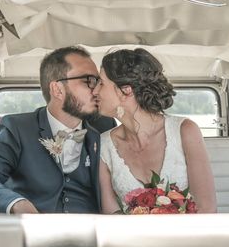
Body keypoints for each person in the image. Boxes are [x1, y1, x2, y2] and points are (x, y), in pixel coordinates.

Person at [0, 46, 116, 213]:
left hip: (93, 234)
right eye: (89, 80)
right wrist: (17, 203)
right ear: (57, 90)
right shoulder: (18, 128)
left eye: (98, 82)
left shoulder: (105, 128)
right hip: (33, 233)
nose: (96, 90)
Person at [93, 48, 217, 214]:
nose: (94, 91)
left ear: (125, 90)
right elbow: (111, 215)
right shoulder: (103, 145)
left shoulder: (185, 131)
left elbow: (206, 208)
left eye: (101, 83)